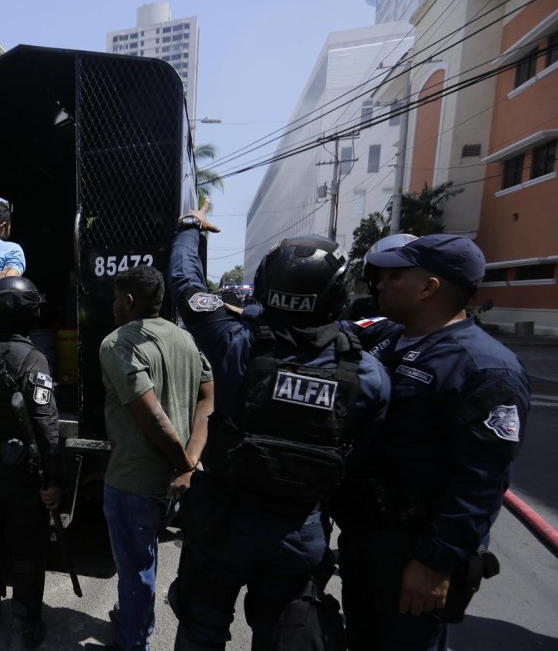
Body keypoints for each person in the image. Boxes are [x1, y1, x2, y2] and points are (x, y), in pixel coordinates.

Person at [167, 204, 390, 651]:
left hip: (223, 524)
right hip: (300, 532)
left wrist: (190, 227)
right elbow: (362, 457)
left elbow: (185, 282)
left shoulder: (233, 343)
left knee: (201, 626)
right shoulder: (367, 374)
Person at [336, 234, 531, 651]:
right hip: (365, 535)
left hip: (415, 550)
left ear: (429, 287)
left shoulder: (485, 368)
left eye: (394, 276)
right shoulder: (388, 335)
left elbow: (481, 481)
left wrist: (434, 563)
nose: (380, 284)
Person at [99, 266, 214, 651]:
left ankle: (134, 643)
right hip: (176, 483)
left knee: (136, 572)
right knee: (143, 566)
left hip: (134, 481)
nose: (114, 306)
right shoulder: (186, 339)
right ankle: (131, 622)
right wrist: (190, 462)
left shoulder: (117, 344)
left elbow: (152, 417)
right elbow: (207, 402)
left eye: (116, 299)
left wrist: (183, 462)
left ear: (129, 301)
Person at [0, 276, 62, 649]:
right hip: (20, 472)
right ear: (33, 316)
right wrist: (55, 480)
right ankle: (24, 628)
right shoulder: (33, 359)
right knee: (28, 547)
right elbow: (47, 426)